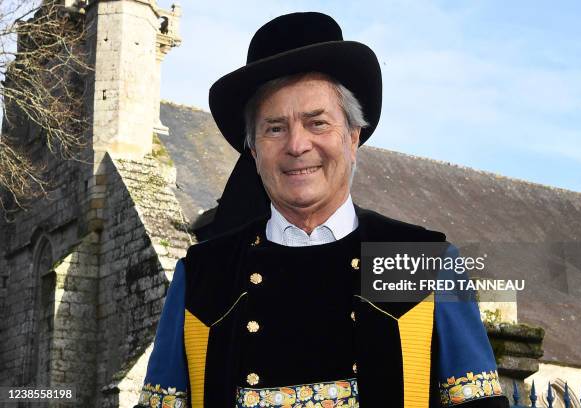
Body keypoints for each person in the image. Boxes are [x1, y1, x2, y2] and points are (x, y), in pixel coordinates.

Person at [136, 12, 510, 408]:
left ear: (352, 136)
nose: (297, 145)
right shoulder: (202, 275)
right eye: (275, 128)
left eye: (317, 123)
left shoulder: (420, 262)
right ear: (253, 150)